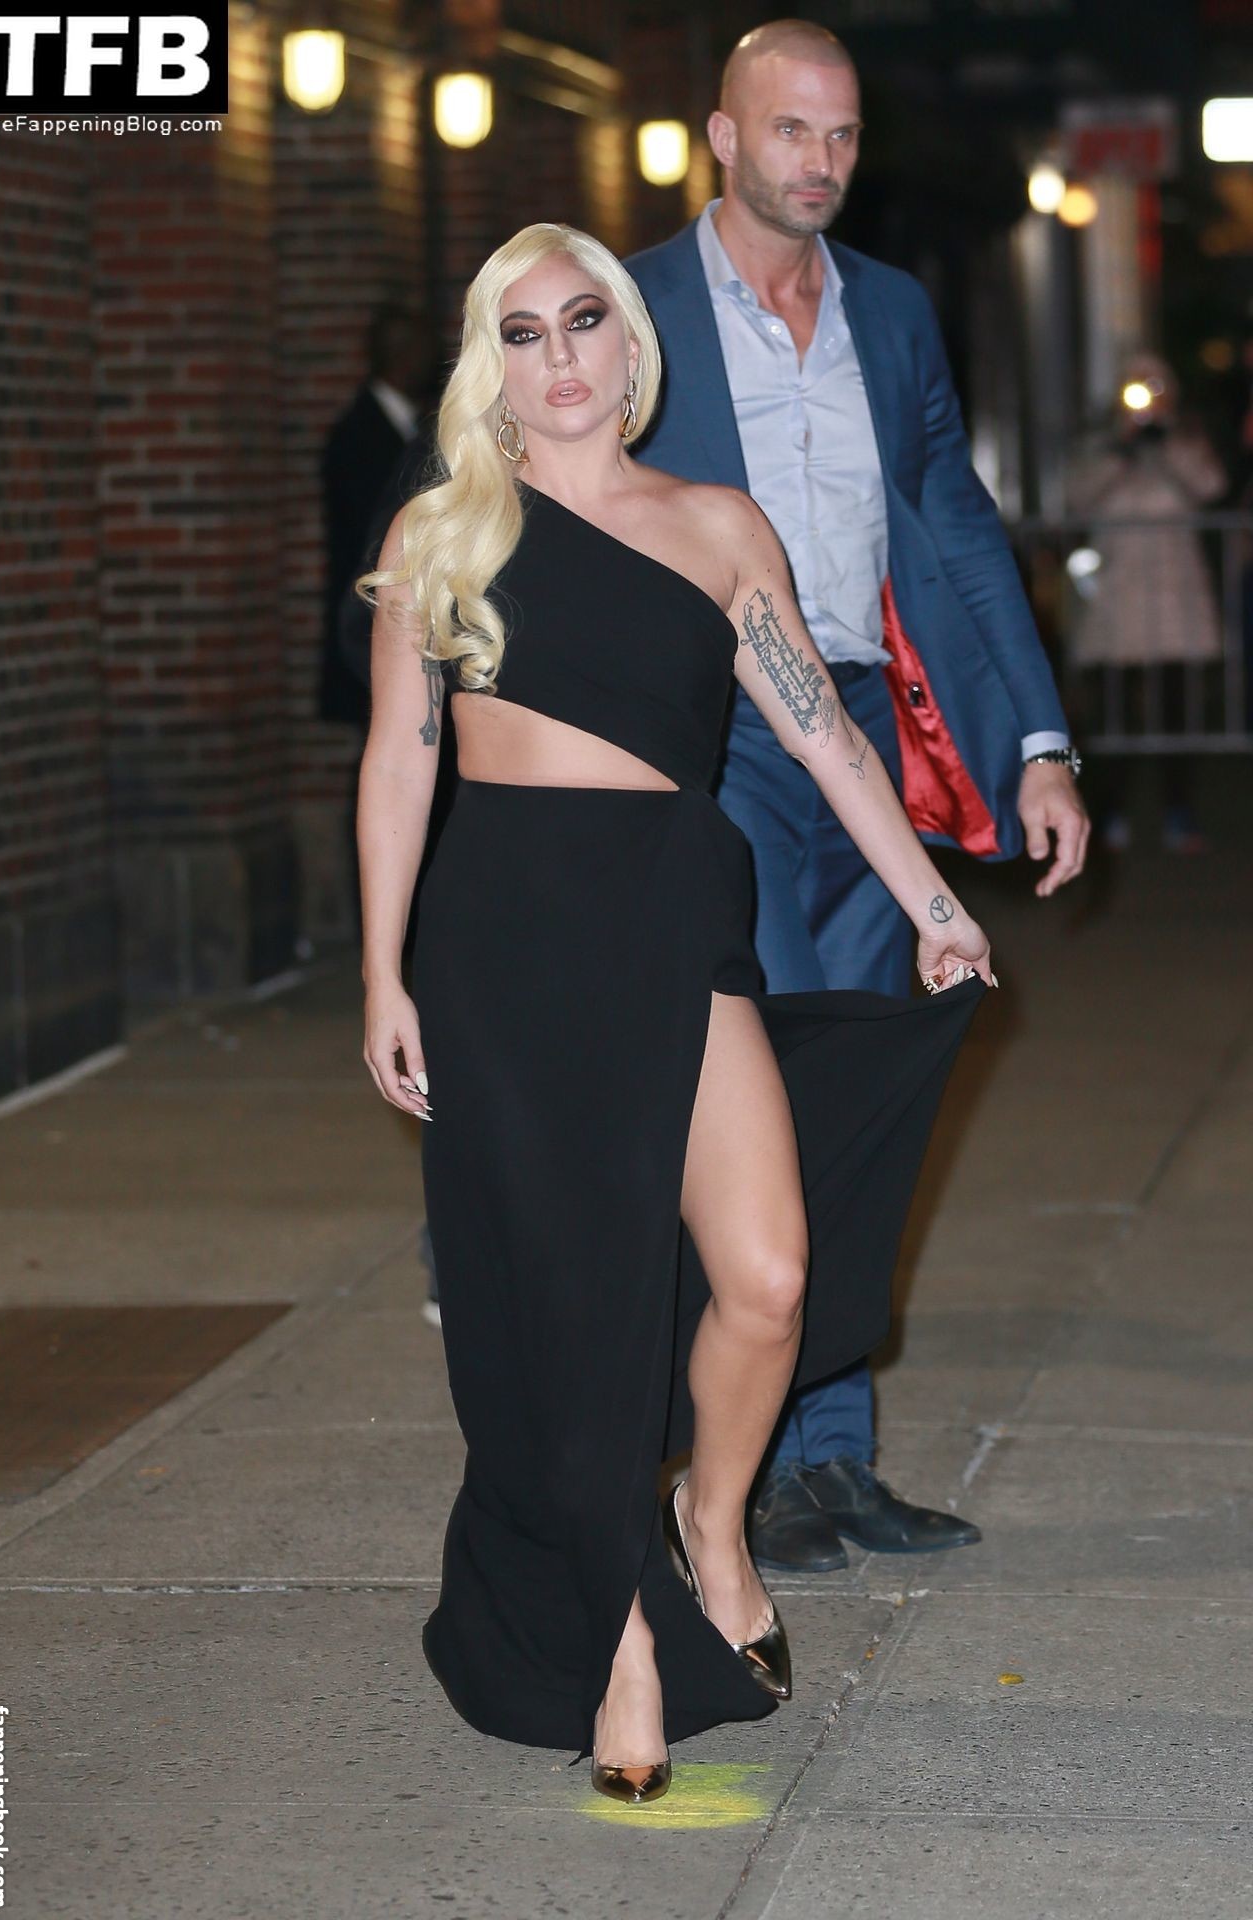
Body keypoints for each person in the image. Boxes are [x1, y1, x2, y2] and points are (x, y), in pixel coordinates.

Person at [356, 222, 991, 1805]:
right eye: (521, 333)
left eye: (583, 321)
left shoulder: (718, 527)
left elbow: (828, 736)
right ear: (489, 368)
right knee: (576, 1315)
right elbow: (398, 766)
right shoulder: (445, 535)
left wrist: (930, 903)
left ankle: (712, 1520)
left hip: (672, 921)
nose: (559, 357)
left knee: (768, 1277)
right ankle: (625, 1636)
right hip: (506, 949)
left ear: (630, 345)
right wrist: (380, 974)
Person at [625, 19, 1089, 1575]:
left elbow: (953, 525)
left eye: (841, 134)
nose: (820, 160)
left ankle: (833, 1457)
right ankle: (739, 1465)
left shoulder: (888, 310)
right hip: (722, 740)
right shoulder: (634, 309)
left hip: (869, 730)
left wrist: (1036, 741)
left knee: (866, 1085)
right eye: (790, 130)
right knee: (753, 1089)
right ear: (722, 136)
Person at [1067, 352, 1227, 854]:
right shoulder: (1104, 447)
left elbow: (1211, 487)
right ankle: (1109, 813)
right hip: (1118, 604)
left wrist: (1167, 445)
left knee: (1176, 716)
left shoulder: (1184, 442)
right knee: (1114, 719)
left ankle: (1179, 812)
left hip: (1177, 604)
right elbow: (1077, 497)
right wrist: (1123, 451)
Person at [319, 305, 434, 729]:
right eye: (425, 348)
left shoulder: (413, 425)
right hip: (373, 619)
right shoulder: (358, 436)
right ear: (402, 355)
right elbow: (375, 535)